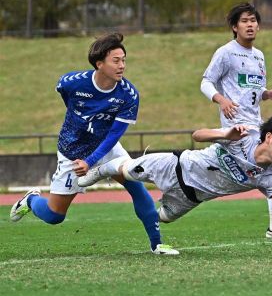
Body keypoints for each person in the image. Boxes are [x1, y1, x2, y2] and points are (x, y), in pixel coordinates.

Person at [9, 33, 177, 255]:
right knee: (54, 216)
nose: (122, 65)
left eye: (124, 60)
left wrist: (90, 161)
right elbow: (67, 99)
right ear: (100, 64)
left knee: (137, 187)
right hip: (72, 154)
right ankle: (31, 200)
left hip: (106, 149)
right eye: (116, 60)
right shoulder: (71, 82)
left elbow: (114, 135)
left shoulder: (128, 95)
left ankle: (157, 244)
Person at [77, 111, 272, 255]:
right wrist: (224, 133)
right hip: (176, 166)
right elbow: (197, 135)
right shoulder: (243, 136)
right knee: (129, 169)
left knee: (162, 217)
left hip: (189, 198)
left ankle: (147, 204)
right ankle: (99, 170)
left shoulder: (271, 177)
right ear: (268, 136)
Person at [200, 2, 272, 239]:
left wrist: (267, 94)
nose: (250, 25)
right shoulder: (225, 52)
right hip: (240, 129)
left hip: (259, 124)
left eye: (253, 21)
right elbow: (205, 82)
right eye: (244, 21)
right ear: (235, 26)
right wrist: (221, 100)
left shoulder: (259, 56)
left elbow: (252, 89)